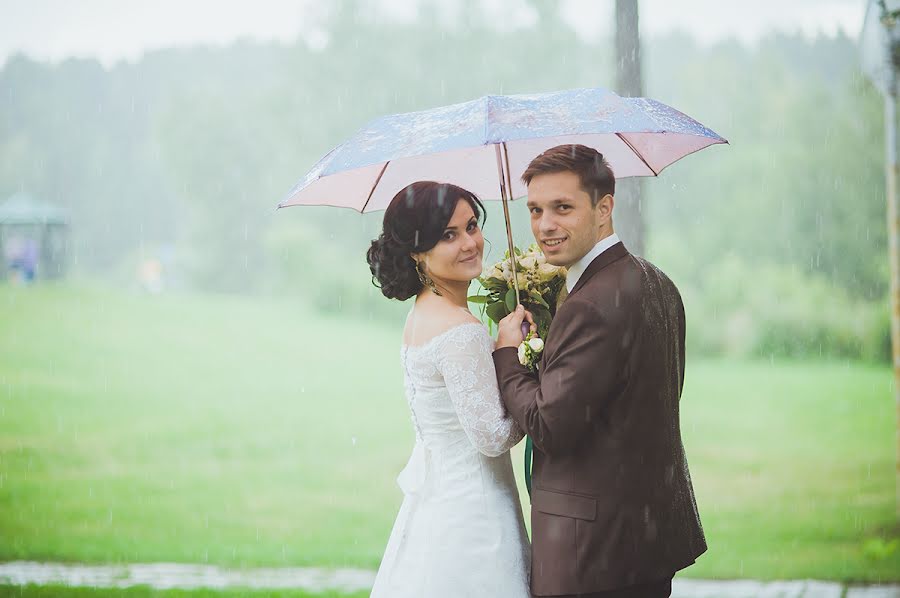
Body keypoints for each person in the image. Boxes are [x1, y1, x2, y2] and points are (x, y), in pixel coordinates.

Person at [494, 144, 706, 598]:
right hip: (646, 542)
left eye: (562, 208)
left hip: (591, 555)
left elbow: (549, 425)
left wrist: (509, 356)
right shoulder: (656, 281)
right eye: (534, 209)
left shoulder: (590, 305)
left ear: (604, 207)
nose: (544, 225)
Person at [366, 181, 531, 598]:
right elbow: (492, 437)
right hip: (475, 516)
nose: (470, 243)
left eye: (472, 226)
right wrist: (522, 368)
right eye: (448, 235)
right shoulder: (460, 330)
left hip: (437, 505)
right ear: (417, 253)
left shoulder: (423, 313)